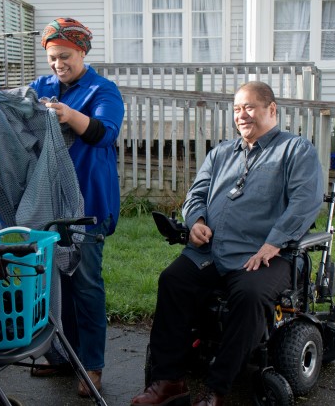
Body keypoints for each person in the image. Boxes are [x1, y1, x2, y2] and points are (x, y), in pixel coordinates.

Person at [130, 81, 323, 406]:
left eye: (249, 107)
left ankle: (218, 391)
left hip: (264, 256)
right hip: (212, 250)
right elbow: (197, 194)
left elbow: (305, 201)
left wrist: (273, 243)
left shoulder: (295, 150)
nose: (241, 115)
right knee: (173, 281)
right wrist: (197, 222)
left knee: (248, 295)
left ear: (271, 110)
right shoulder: (221, 153)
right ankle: (169, 382)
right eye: (237, 109)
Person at [28, 17, 125, 397]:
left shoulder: (104, 90)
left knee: (85, 286)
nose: (57, 65)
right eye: (52, 58)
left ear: (82, 51)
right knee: (59, 284)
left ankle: (92, 367)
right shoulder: (43, 86)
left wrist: (69, 115)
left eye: (64, 56)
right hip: (49, 206)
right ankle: (66, 356)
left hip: (89, 205)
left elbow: (105, 133)